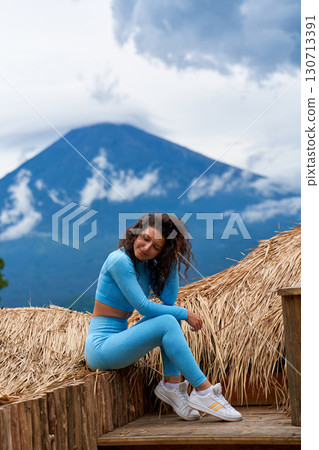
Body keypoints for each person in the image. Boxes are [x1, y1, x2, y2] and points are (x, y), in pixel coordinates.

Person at [84, 213, 242, 422]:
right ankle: (204, 391)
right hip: (101, 348)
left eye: (156, 247)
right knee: (170, 319)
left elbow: (168, 300)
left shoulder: (144, 263)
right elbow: (143, 307)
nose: (147, 248)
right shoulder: (119, 260)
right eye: (145, 239)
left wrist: (172, 258)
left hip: (118, 339)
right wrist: (186, 314)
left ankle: (173, 385)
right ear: (136, 233)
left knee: (170, 318)